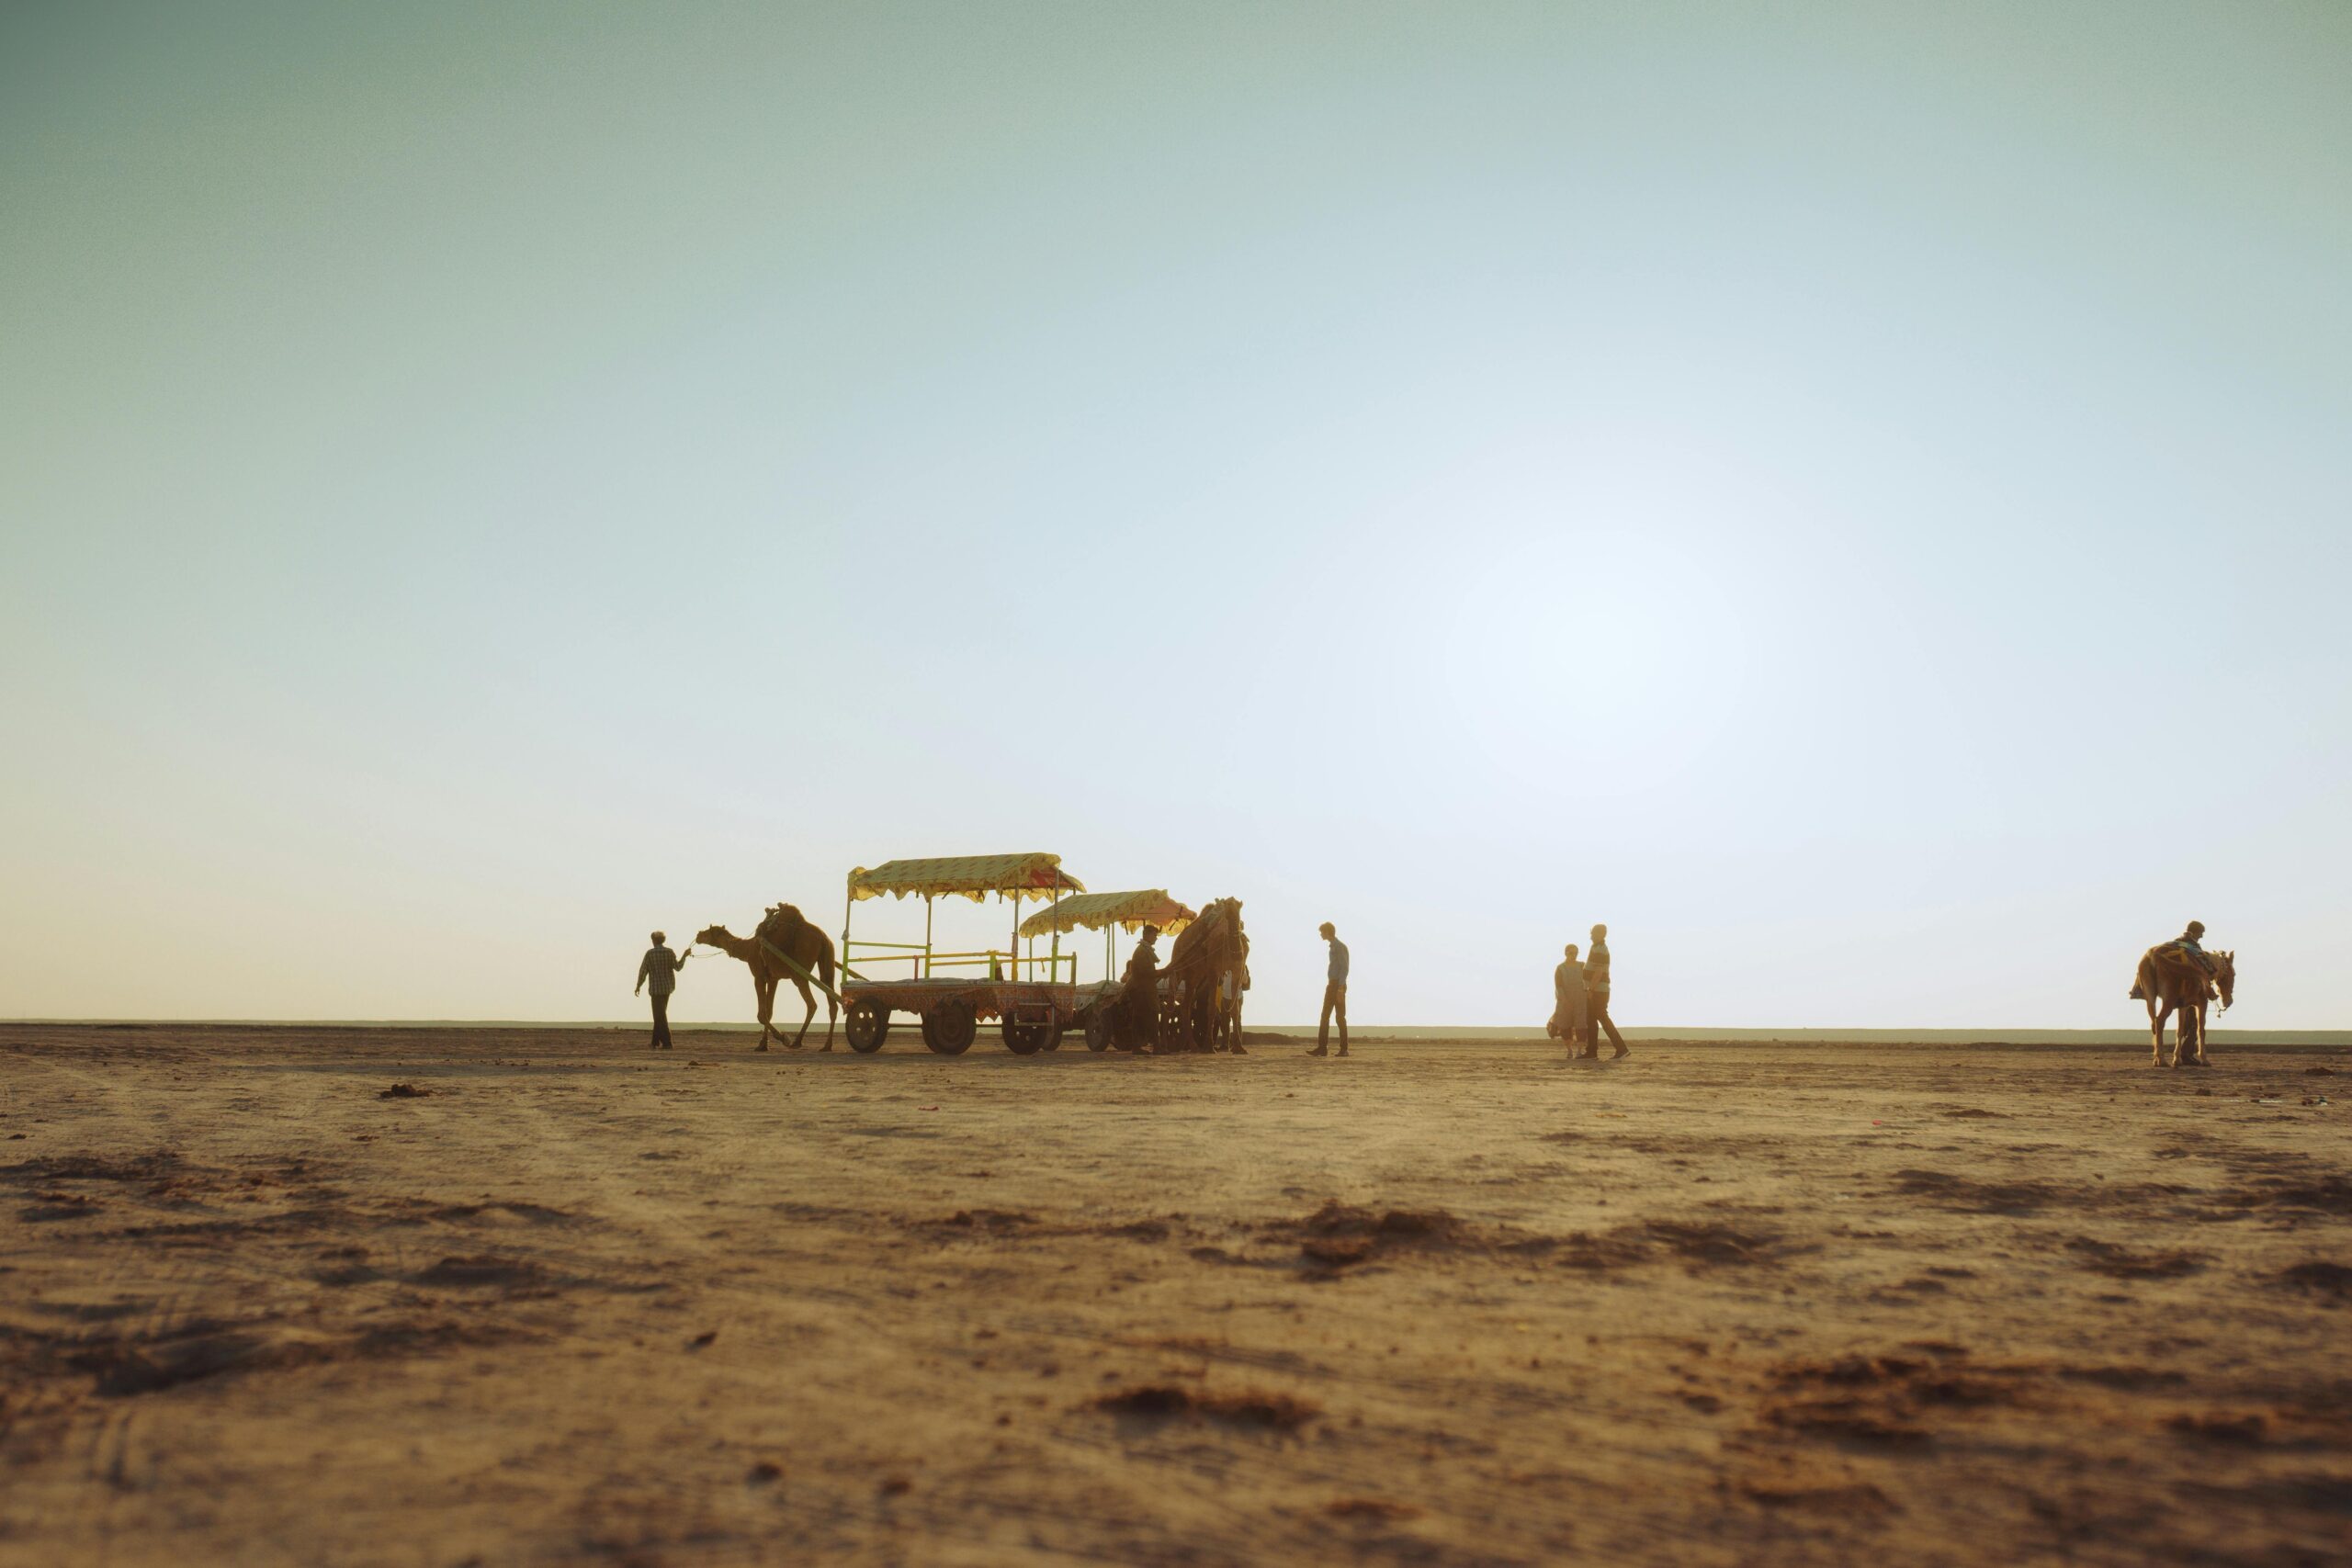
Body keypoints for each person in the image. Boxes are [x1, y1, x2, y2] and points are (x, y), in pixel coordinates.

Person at [2129, 919, 2216, 999]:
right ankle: (2206, 991)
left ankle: (2138, 988)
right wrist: (2211, 970)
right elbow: (2207, 965)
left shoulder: (2175, 942)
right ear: (2196, 932)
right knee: (2201, 968)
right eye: (2201, 933)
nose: (2202, 936)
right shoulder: (2194, 948)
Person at [635, 931, 689, 1050]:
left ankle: (667, 1043)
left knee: (660, 1016)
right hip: (667, 988)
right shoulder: (669, 952)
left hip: (655, 990)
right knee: (659, 1015)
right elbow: (678, 967)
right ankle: (654, 1042)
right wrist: (685, 956)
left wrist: (638, 985)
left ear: (653, 941)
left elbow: (643, 971)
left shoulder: (650, 954)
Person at [1585, 922, 1627, 1060]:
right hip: (1596, 990)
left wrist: (1591, 989)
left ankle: (1621, 1049)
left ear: (1600, 934)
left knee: (1603, 1019)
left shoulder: (1601, 949)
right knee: (1591, 1020)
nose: (1591, 936)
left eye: (1593, 933)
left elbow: (1598, 971)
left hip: (1598, 991)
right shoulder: (1596, 947)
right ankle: (1591, 1052)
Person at [1309, 921, 1349, 1057]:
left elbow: (1344, 968)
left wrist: (1340, 988)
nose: (1321, 934)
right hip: (1332, 984)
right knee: (1326, 1016)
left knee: (1339, 1017)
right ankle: (1322, 1048)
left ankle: (1343, 1049)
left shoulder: (1339, 947)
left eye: (1322, 932)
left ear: (1327, 932)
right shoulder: (1333, 946)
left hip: (1337, 985)